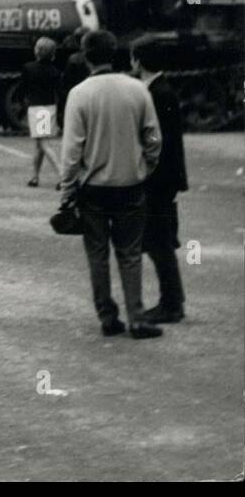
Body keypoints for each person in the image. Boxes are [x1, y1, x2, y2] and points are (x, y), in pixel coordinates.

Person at [60, 30, 163, 340]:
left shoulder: (78, 94)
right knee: (130, 253)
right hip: (131, 184)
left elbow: (71, 151)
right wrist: (146, 165)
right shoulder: (138, 89)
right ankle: (137, 317)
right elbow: (154, 137)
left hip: (93, 188)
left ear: (86, 56)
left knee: (98, 253)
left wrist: (67, 189)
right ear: (115, 52)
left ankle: (107, 315)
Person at [130, 36, 188, 325]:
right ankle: (172, 300)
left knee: (159, 241)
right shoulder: (162, 90)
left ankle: (171, 303)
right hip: (166, 177)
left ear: (138, 61)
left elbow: (155, 139)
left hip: (158, 179)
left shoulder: (155, 94)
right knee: (159, 240)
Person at [21, 36, 63, 188]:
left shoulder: (28, 68)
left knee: (43, 143)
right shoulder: (55, 71)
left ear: (37, 51)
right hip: (49, 108)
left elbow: (24, 88)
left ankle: (63, 175)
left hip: (36, 109)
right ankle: (35, 177)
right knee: (39, 145)